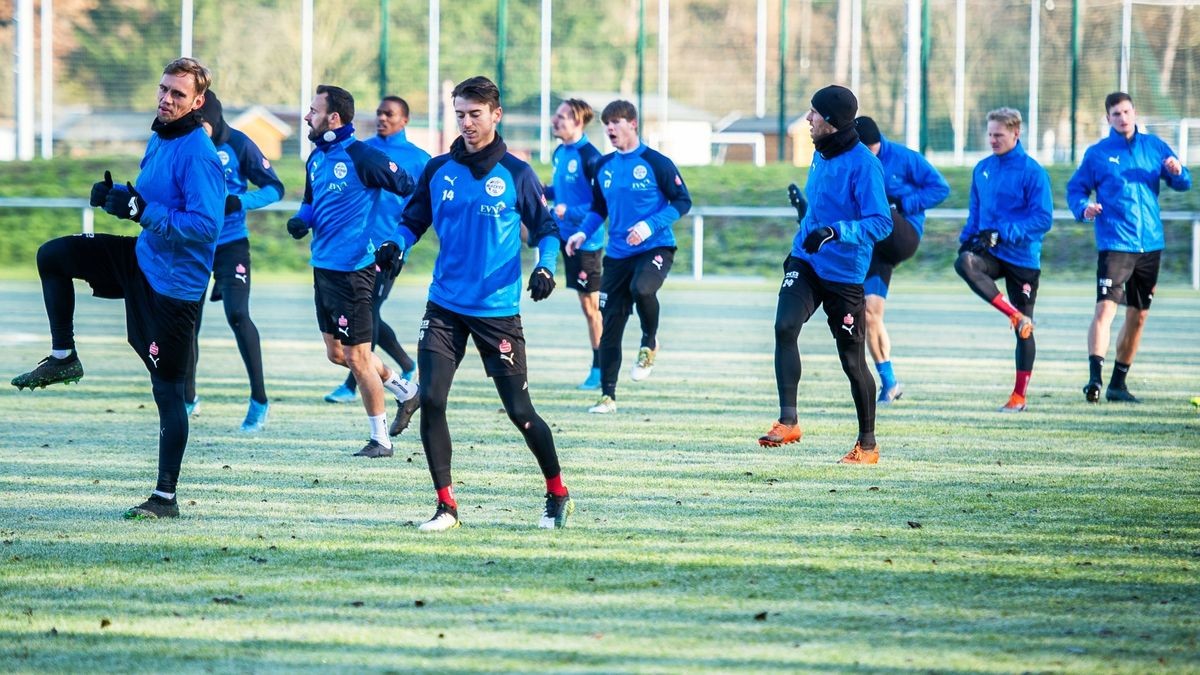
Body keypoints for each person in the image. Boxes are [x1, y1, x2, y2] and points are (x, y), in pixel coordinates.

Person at [10, 57, 224, 518]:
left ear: (198, 102)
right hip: (142, 258)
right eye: (163, 88)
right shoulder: (160, 134)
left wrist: (140, 211)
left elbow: (207, 226)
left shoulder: (199, 154)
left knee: (168, 394)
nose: (167, 99)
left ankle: (165, 498)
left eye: (178, 94)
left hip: (173, 288)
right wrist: (115, 197)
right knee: (54, 255)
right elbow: (148, 199)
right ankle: (63, 357)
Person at [378, 75, 573, 532]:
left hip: (497, 311)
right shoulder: (438, 169)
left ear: (495, 115)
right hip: (444, 304)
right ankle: (447, 507)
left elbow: (546, 230)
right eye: (460, 114)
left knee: (520, 413)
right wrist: (396, 245)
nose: (466, 123)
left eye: (475, 114)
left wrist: (546, 268)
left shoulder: (518, 174)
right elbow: (413, 221)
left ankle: (557, 492)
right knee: (433, 399)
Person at [755, 85, 892, 464]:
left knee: (852, 362)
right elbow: (821, 211)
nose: (808, 119)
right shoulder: (820, 152)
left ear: (830, 122)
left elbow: (881, 223)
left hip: (845, 274)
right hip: (806, 260)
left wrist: (836, 232)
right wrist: (808, 217)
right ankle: (788, 421)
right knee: (784, 326)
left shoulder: (864, 164)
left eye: (814, 114)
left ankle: (867, 446)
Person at [287, 84, 419, 458]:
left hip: (356, 271)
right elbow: (311, 201)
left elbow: (410, 188)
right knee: (336, 353)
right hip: (323, 269)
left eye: (313, 111)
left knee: (359, 356)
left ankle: (381, 439)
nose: (307, 117)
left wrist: (395, 238)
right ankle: (406, 391)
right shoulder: (316, 157)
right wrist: (301, 220)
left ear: (333, 118)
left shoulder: (364, 155)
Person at [564, 99, 692, 414]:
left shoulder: (656, 162)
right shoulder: (603, 166)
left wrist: (649, 226)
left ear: (632, 124)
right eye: (606, 124)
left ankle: (649, 342)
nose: (610, 129)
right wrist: (581, 232)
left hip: (655, 247)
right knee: (611, 325)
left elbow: (682, 201)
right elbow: (599, 208)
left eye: (616, 122)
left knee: (643, 289)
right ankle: (608, 396)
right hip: (618, 254)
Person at [1068, 92, 1192, 404]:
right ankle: (1094, 379)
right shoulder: (1098, 154)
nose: (1122, 118)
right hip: (1115, 243)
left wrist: (1178, 171)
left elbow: (1183, 182)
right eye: (1116, 114)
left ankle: (1117, 385)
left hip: (1150, 244)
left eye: (1126, 112)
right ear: (1108, 118)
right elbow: (1076, 189)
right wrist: (1084, 208)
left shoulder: (1154, 147)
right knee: (1105, 309)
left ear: (1134, 112)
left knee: (1138, 316)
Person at [183, 90, 284, 432]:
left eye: (202, 124)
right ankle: (188, 397)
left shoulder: (238, 144)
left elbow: (274, 188)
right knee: (186, 322)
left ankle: (259, 400)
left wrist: (239, 201)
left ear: (212, 119)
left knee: (238, 314)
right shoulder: (181, 141)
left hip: (230, 244)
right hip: (192, 245)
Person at [324, 95, 430, 404]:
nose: (383, 118)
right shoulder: (362, 150)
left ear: (405, 120)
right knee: (364, 314)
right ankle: (407, 365)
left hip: (388, 250)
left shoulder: (418, 159)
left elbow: (423, 206)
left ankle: (351, 383)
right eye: (379, 113)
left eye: (390, 114)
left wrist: (402, 244)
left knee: (367, 313)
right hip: (356, 248)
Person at [954, 107, 1053, 412]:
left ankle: (1019, 397)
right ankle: (1013, 314)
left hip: (1022, 258)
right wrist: (966, 239)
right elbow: (976, 213)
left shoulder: (1032, 171)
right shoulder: (982, 168)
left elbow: (1043, 219)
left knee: (1026, 329)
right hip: (992, 255)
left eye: (999, 135)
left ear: (1015, 133)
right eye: (990, 134)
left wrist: (1003, 232)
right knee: (965, 263)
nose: (993, 140)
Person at [854, 116, 950, 405]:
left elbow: (940, 188)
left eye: (869, 151)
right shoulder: (854, 161)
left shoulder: (905, 158)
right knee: (870, 314)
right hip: (877, 246)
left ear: (877, 144)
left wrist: (906, 204)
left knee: (878, 204)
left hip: (903, 233)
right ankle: (890, 383)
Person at [546, 98, 604, 390]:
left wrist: (567, 211)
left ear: (578, 122)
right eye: (555, 116)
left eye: (562, 117)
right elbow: (562, 188)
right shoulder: (559, 152)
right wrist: (539, 190)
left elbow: (600, 203)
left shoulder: (591, 157)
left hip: (587, 240)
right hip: (564, 235)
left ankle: (600, 366)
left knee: (591, 307)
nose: (555, 121)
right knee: (586, 305)